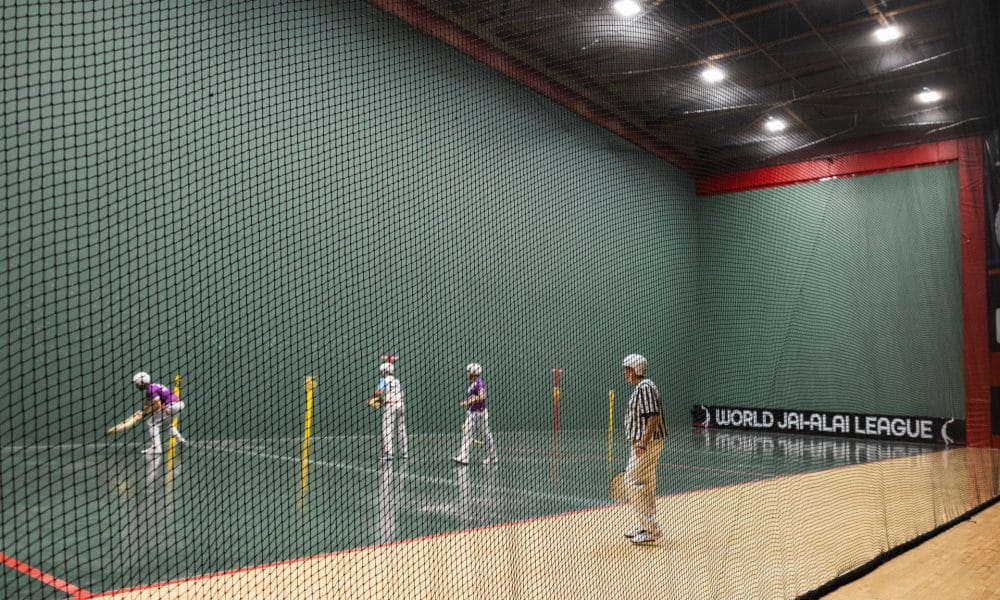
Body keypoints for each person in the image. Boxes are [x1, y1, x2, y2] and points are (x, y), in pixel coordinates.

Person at [621, 354, 666, 545]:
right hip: (647, 444)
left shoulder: (644, 388)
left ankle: (650, 530)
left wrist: (642, 443)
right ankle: (648, 526)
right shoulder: (644, 387)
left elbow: (653, 417)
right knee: (645, 485)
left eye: (627, 370)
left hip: (645, 445)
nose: (625, 374)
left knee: (631, 481)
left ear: (636, 370)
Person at [452, 363, 497, 465]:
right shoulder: (473, 384)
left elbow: (482, 397)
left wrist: (467, 402)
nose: (467, 374)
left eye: (468, 372)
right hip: (472, 414)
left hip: (480, 414)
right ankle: (464, 457)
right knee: (467, 434)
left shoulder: (479, 383)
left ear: (473, 373)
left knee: (485, 435)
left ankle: (493, 457)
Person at [132, 372, 187, 455]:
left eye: (137, 384)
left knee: (151, 423)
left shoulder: (150, 390)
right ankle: (180, 440)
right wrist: (141, 411)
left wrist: (144, 414)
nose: (136, 386)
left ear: (142, 382)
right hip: (179, 405)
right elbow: (147, 404)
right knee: (166, 424)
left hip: (173, 406)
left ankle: (156, 448)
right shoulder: (153, 387)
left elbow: (157, 405)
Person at [369, 362, 408, 461]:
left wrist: (371, 399)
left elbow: (379, 392)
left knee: (387, 429)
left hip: (390, 406)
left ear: (384, 371)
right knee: (401, 428)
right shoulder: (397, 381)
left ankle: (388, 453)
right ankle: (404, 452)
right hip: (401, 405)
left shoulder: (384, 380)